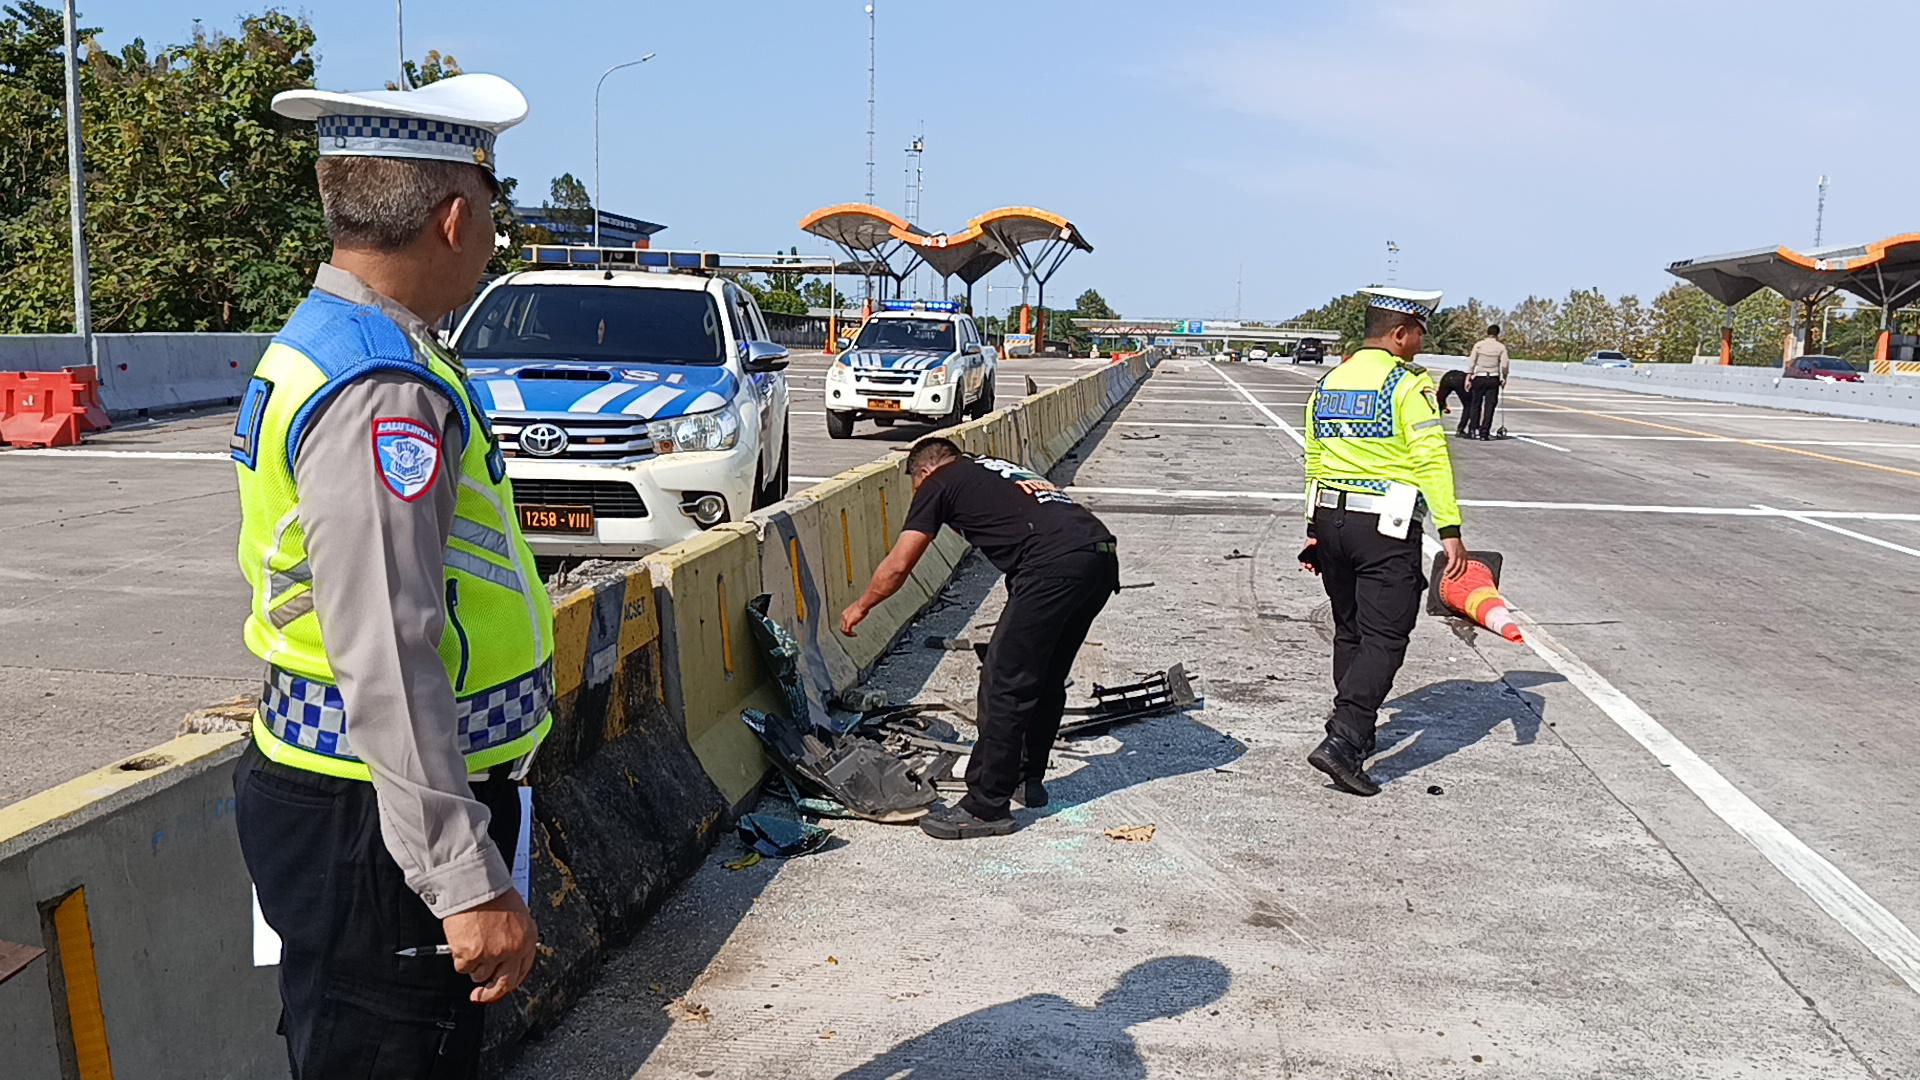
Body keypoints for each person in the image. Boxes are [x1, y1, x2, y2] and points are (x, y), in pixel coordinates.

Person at [230, 74, 550, 1077]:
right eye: (491, 210)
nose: (493, 235)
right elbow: (388, 647)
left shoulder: (336, 346)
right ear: (454, 218)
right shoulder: (381, 388)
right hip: (376, 822)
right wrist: (463, 877)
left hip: (354, 803)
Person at [840, 438, 1118, 839]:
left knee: (1004, 681)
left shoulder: (938, 481)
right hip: (1099, 556)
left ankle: (986, 806)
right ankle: (1026, 778)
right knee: (1044, 675)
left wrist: (862, 605)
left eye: (916, 487)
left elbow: (900, 564)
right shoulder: (994, 468)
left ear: (923, 471)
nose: (918, 495)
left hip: (1052, 566)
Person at [1299, 288, 1470, 797]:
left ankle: (1356, 728)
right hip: (1384, 529)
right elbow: (1431, 458)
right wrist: (1450, 529)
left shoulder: (1329, 381)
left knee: (1350, 628)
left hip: (1330, 519)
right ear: (1399, 333)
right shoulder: (1407, 384)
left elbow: (1315, 455)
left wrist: (1313, 527)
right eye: (1419, 333)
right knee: (1386, 635)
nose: (1421, 343)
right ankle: (1344, 739)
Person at [1464, 323, 1510, 439]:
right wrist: (1504, 378)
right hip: (1493, 378)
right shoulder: (1501, 347)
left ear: (1487, 333)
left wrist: (1468, 378)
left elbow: (1472, 362)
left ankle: (1473, 430)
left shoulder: (1479, 345)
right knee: (1489, 407)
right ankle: (1484, 433)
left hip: (1479, 377)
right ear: (1497, 334)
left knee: (1475, 404)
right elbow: (1504, 365)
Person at [1436, 366, 1471, 432]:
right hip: (1460, 379)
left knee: (1438, 401)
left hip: (1448, 376)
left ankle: (1435, 425)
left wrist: (1444, 405)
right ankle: (1460, 429)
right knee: (1468, 405)